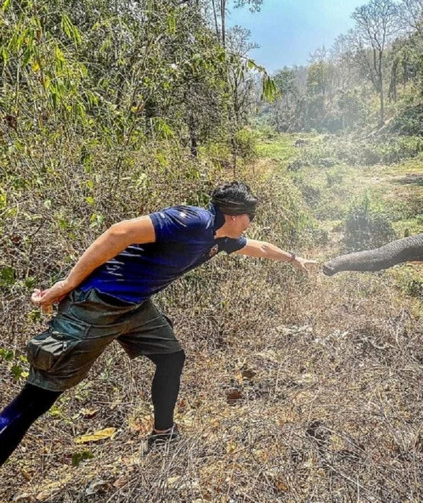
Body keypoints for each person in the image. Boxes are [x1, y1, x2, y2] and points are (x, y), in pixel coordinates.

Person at [0, 181, 316, 464]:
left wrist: (293, 258)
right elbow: (120, 232)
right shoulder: (192, 221)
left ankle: (163, 433)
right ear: (235, 214)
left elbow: (258, 247)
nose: (251, 224)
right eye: (251, 217)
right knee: (36, 400)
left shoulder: (218, 238)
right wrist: (67, 283)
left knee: (171, 357)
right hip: (95, 306)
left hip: (135, 308)